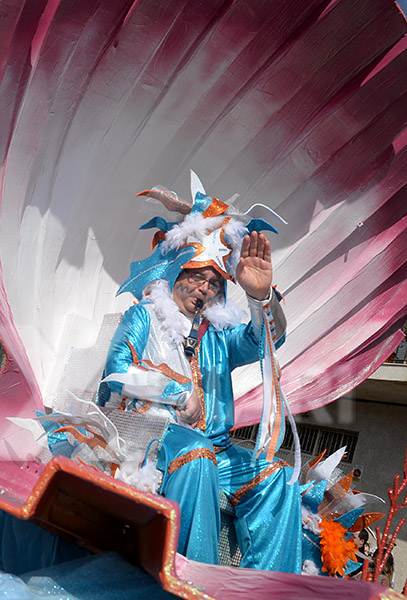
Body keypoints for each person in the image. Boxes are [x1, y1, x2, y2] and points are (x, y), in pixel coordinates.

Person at [97, 173, 300, 572]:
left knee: (278, 476)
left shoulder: (218, 338)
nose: (203, 289)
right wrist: (176, 392)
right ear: (174, 272)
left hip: (219, 451)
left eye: (213, 282)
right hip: (157, 440)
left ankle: (266, 588)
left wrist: (260, 297)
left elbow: (265, 341)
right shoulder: (144, 317)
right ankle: (196, 583)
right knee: (196, 454)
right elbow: (114, 374)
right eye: (195, 276)